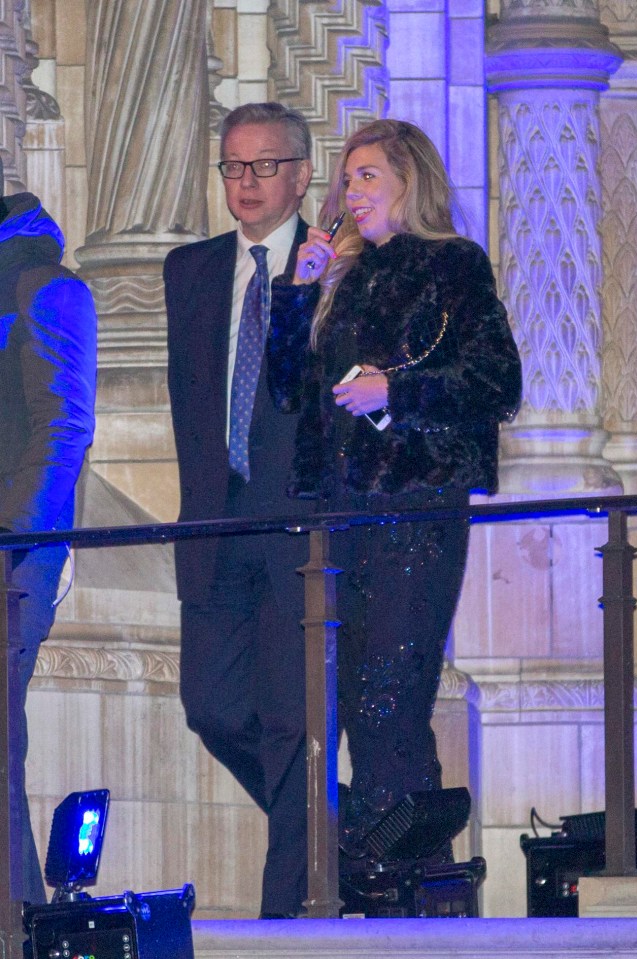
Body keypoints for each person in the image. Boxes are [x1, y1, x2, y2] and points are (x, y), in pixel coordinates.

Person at [268, 119, 522, 853]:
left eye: (368, 175)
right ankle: (417, 881)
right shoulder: (344, 276)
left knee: (389, 700)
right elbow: (289, 392)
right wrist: (297, 292)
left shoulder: (453, 265)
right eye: (347, 179)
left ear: (412, 182)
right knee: (356, 706)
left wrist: (396, 392)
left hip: (413, 507)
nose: (352, 192)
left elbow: (496, 380)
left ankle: (396, 887)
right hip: (340, 512)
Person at [164, 103, 315, 917]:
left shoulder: (331, 268)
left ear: (299, 173)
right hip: (214, 525)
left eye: (263, 166)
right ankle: (335, 828)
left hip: (298, 525)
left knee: (294, 725)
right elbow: (190, 402)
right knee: (212, 705)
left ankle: (287, 910)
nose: (246, 182)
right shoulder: (188, 269)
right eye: (233, 166)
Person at [0, 165, 97, 903]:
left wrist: (12, 538)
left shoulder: (44, 285)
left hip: (14, 557)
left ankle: (21, 920)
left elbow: (64, 429)